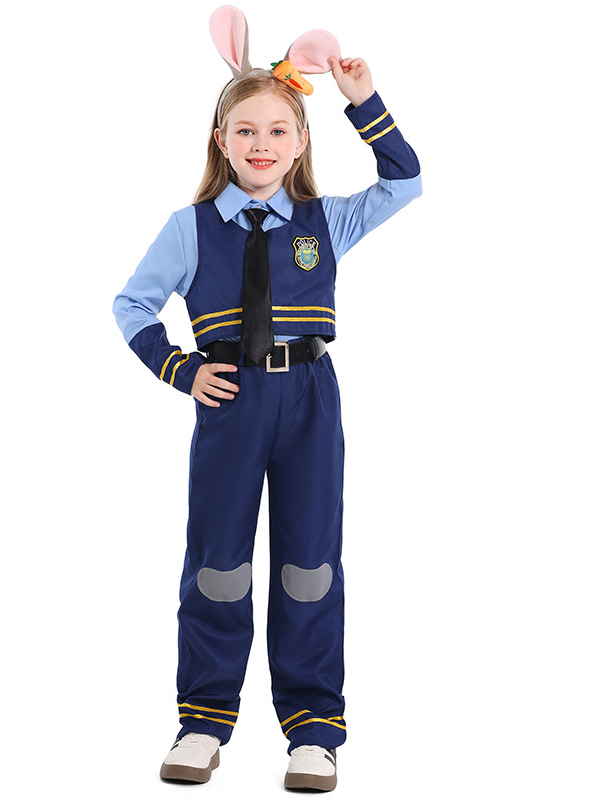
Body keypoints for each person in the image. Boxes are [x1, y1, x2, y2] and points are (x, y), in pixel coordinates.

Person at [113, 42, 421, 791]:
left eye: (278, 130)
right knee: (218, 564)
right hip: (231, 402)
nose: (262, 144)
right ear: (221, 140)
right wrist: (181, 369)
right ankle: (203, 720)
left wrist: (363, 102)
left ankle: (312, 731)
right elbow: (132, 305)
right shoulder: (190, 228)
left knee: (309, 564)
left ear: (301, 140)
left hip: (310, 398)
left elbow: (405, 181)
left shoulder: (326, 221)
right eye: (246, 130)